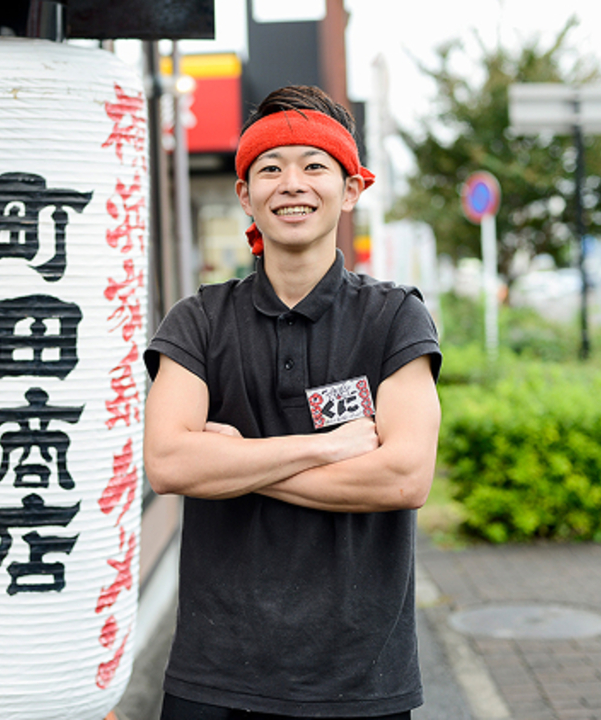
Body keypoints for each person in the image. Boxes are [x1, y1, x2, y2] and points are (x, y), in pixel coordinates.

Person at [142, 85, 443, 720]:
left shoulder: (395, 318)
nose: (292, 184)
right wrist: (328, 446)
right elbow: (169, 464)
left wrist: (233, 464)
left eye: (314, 166)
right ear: (245, 194)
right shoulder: (197, 320)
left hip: (359, 679)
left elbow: (404, 477)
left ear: (352, 188)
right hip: (213, 676)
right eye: (270, 168)